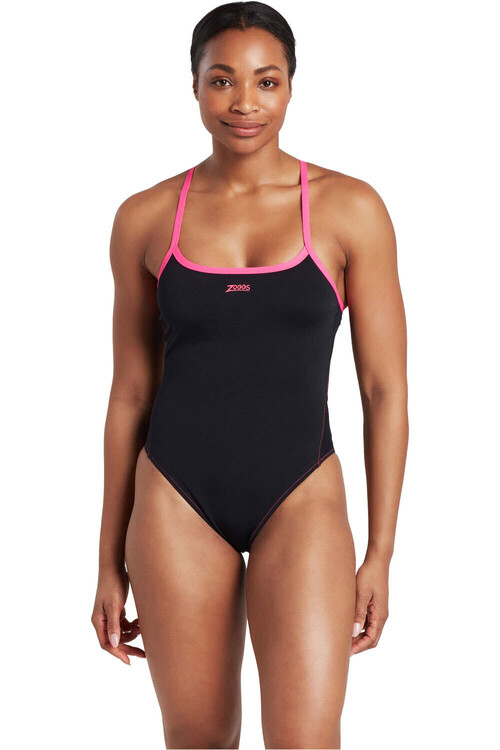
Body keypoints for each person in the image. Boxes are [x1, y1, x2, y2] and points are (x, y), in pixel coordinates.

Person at [91, 2, 408, 748]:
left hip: (301, 493)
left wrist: (381, 553)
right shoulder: (145, 217)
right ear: (194, 86)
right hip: (174, 497)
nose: (244, 103)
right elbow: (130, 394)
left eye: (266, 81)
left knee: (306, 739)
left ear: (291, 86)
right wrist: (107, 560)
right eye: (221, 80)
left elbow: (384, 390)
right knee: (198, 739)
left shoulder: (350, 208)